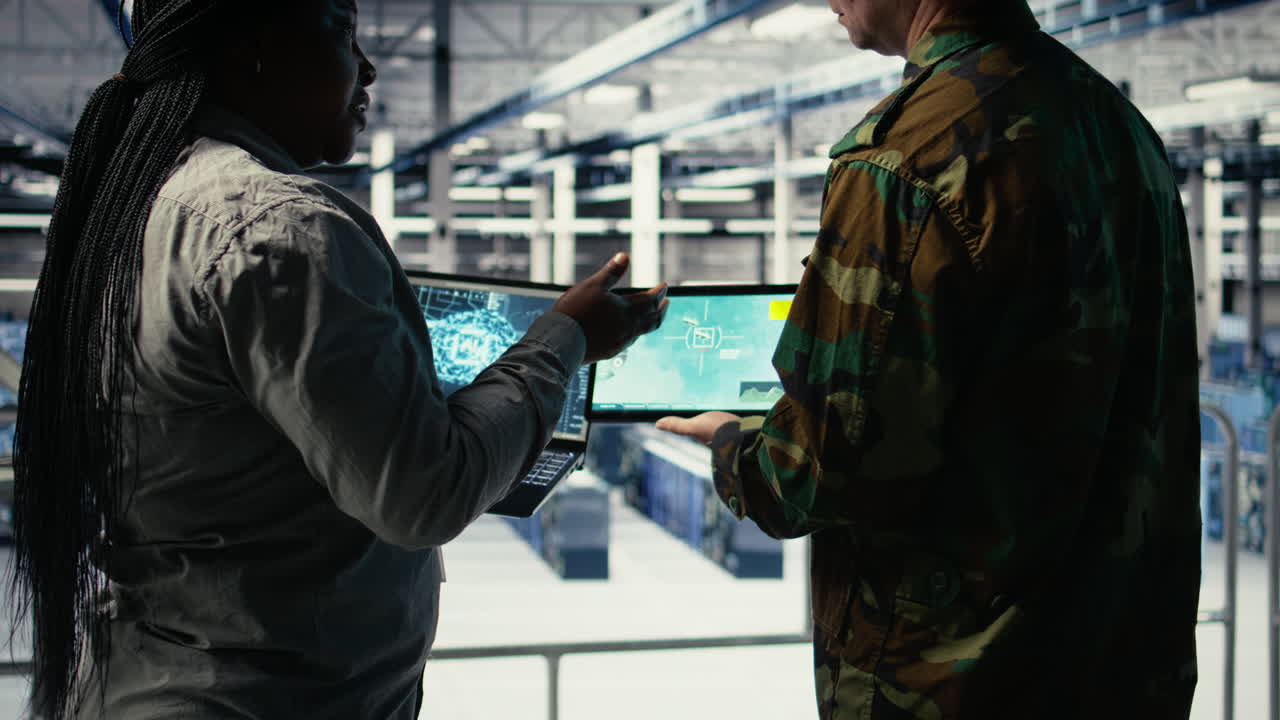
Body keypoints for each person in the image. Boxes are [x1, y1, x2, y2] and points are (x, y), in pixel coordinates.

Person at [10, 1, 667, 718]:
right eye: (342, 31)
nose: (368, 67)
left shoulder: (138, 205)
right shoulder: (278, 230)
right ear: (255, 46)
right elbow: (426, 493)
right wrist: (566, 337)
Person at [657, 0, 1201, 717]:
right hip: (1123, 667)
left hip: (961, 685)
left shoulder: (907, 158)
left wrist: (734, 446)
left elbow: (819, 471)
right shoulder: (1121, 128)